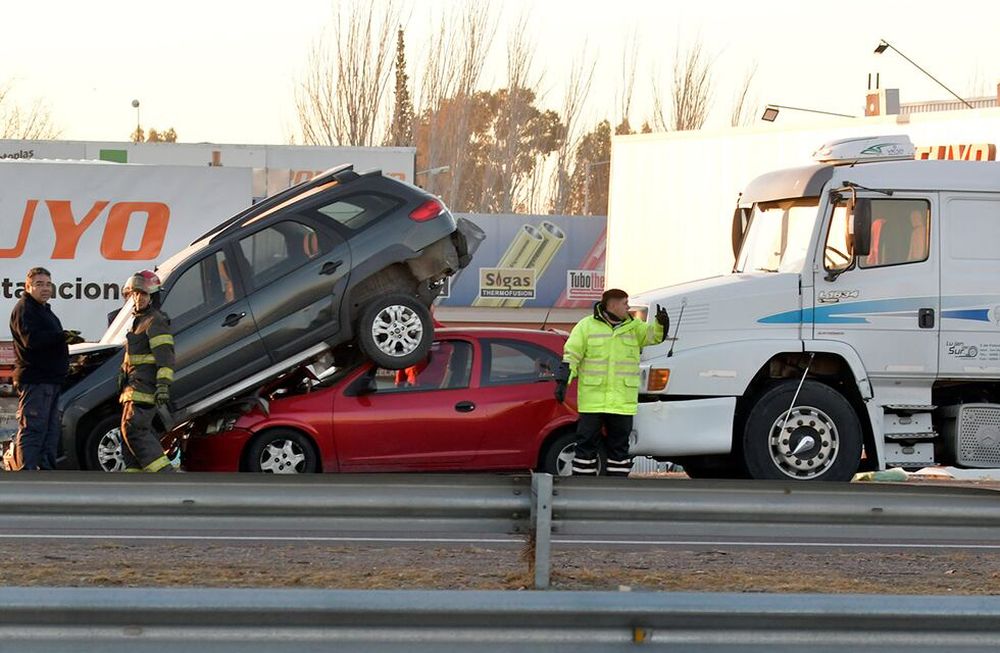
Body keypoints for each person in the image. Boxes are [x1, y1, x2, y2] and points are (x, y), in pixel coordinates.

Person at [554, 288, 668, 477]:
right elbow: (571, 355)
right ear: (612, 305)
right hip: (594, 401)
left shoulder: (634, 327)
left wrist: (661, 324)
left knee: (620, 449)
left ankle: (617, 489)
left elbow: (654, 336)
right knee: (586, 445)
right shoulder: (586, 326)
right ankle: (582, 487)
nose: (628, 307)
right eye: (625, 303)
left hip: (621, 402)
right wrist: (563, 381)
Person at [9, 267, 70, 470]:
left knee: (50, 432)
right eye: (39, 284)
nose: (45, 288)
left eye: (48, 284)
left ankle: (46, 479)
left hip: (50, 380)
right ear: (28, 287)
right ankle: (26, 478)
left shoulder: (43, 310)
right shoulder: (25, 309)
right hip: (36, 380)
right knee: (33, 429)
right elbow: (31, 340)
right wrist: (61, 337)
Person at [118, 270, 176, 472]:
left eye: (143, 294)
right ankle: (135, 488)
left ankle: (165, 477)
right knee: (127, 439)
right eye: (134, 294)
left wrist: (162, 386)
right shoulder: (139, 322)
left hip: (145, 389)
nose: (137, 298)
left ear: (153, 296)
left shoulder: (155, 321)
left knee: (135, 431)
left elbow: (165, 358)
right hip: (132, 388)